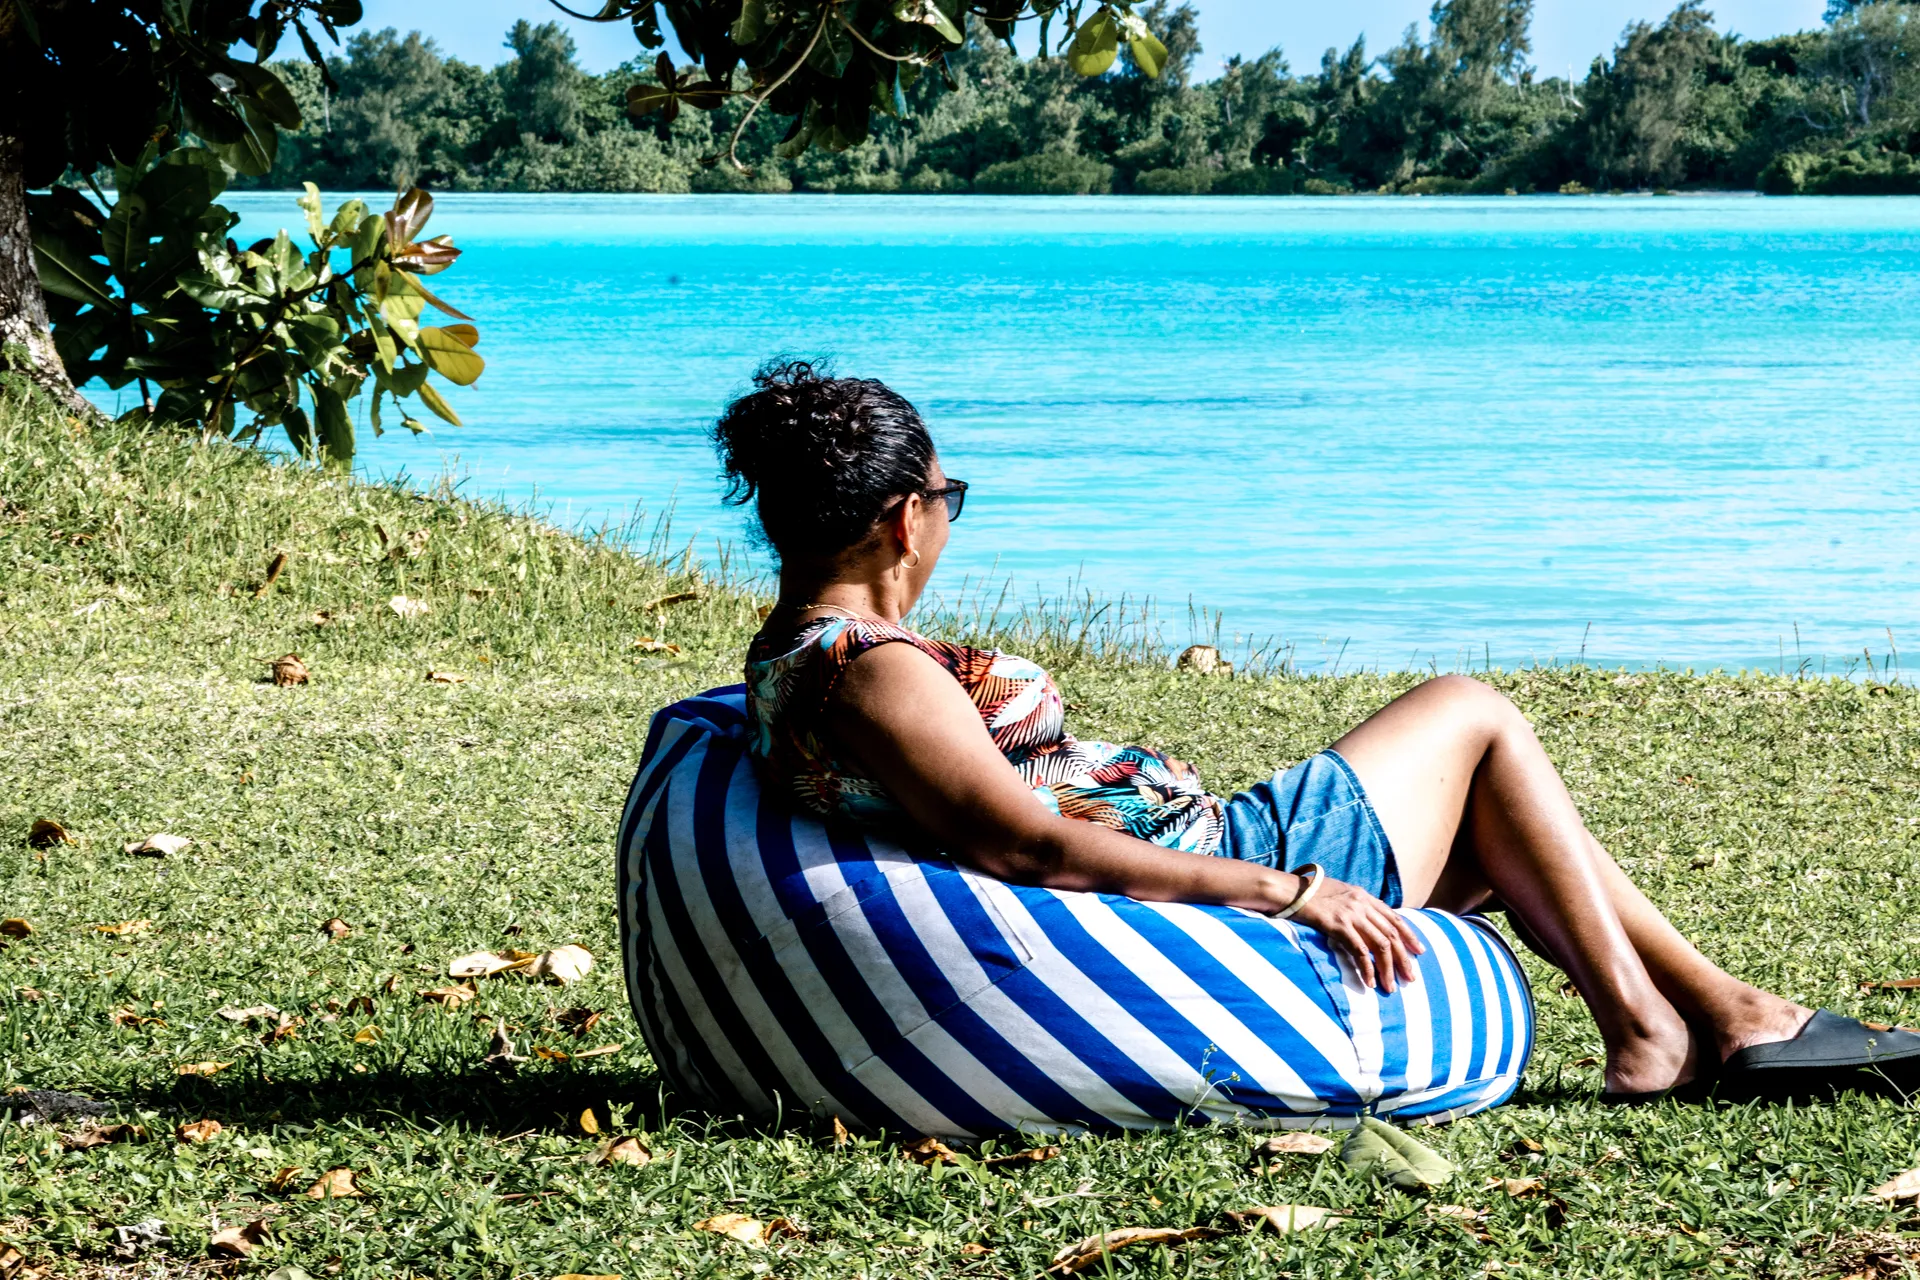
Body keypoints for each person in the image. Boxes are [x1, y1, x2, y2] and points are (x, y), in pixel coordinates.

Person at [716, 359, 1919, 1105]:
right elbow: (1034, 849)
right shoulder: (873, 674)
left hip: (1191, 852)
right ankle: (1654, 1023)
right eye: (947, 498)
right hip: (1206, 870)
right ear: (897, 520)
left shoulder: (800, 654)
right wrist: (1288, 889)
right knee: (1474, 713)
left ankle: (1722, 1014)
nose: (947, 522)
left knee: (1500, 801)